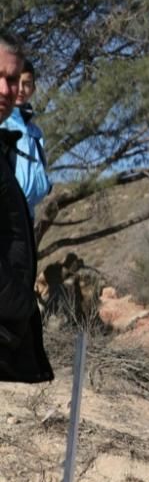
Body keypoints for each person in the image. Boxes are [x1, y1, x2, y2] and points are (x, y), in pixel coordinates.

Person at [0, 35, 53, 384]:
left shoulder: (31, 131)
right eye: (2, 77)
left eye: (16, 80)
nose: (9, 90)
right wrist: (19, 307)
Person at [0, 58, 52, 220]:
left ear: (34, 89)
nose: (21, 89)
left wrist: (46, 185)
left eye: (27, 84)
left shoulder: (34, 131)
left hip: (28, 212)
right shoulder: (3, 122)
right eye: (17, 82)